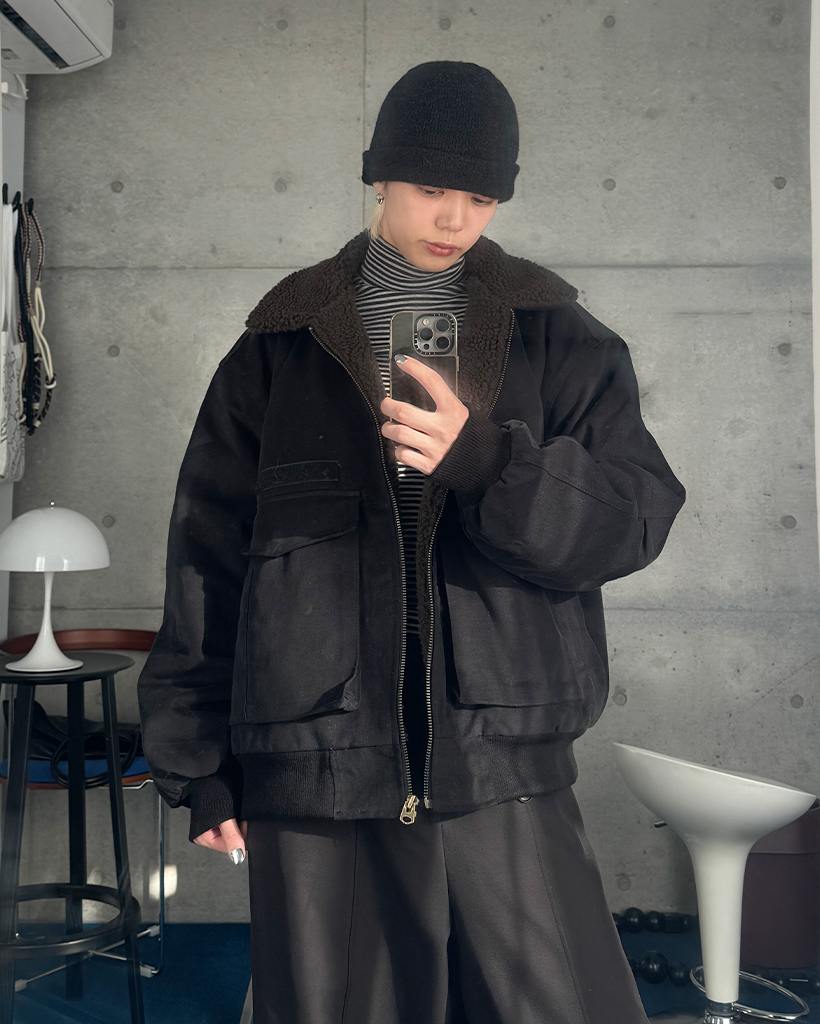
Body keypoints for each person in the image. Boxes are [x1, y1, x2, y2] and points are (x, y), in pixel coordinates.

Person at [138, 61, 686, 1024]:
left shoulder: (560, 337)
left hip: (501, 753)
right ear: (380, 174)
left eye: (481, 197)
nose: (455, 219)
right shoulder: (281, 341)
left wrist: (489, 463)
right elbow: (206, 557)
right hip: (316, 755)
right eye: (433, 187)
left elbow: (632, 520)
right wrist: (201, 763)